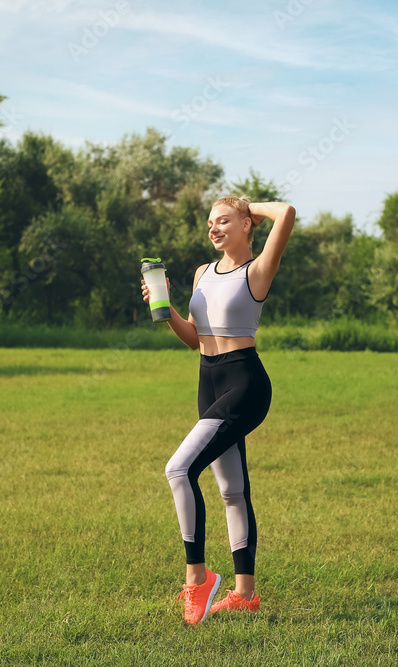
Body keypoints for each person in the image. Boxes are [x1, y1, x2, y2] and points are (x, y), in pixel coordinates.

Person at [141, 196, 295, 625]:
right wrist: (167, 309)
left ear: (247, 224)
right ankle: (244, 594)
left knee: (178, 469)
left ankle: (198, 579)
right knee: (231, 490)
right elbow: (195, 338)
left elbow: (286, 214)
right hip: (207, 379)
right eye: (210, 222)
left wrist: (246, 204)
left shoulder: (257, 271)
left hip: (244, 382)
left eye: (224, 220)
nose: (213, 228)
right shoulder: (202, 274)